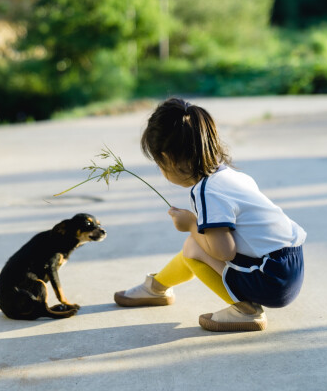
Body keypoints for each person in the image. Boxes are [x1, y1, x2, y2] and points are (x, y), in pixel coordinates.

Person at [114, 97, 306, 332]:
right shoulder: (232, 176)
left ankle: (245, 311)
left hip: (271, 279)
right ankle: (156, 287)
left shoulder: (207, 191)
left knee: (193, 248)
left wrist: (191, 225)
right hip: (288, 267)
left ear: (167, 158)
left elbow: (224, 251)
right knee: (195, 244)